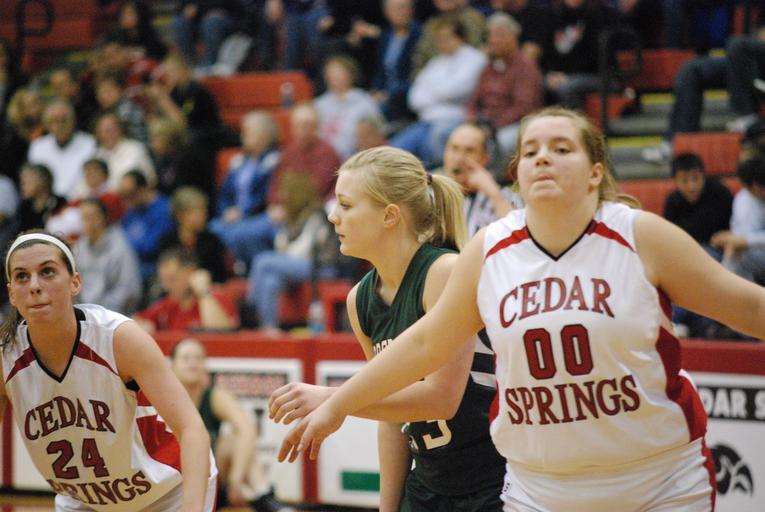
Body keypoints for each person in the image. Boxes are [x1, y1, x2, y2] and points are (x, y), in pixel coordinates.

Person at [278, 106, 765, 510]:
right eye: (530, 151)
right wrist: (337, 404)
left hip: (655, 478)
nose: (543, 158)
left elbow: (746, 307)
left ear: (596, 171)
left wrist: (336, 401)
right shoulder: (489, 250)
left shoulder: (640, 235)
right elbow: (425, 344)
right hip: (540, 487)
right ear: (516, 173)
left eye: (561, 148)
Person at [269, 147, 505, 511]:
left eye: (346, 205)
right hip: (427, 484)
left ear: (389, 215)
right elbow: (391, 418)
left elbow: (442, 398)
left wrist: (333, 399)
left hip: (491, 481)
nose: (333, 216)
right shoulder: (360, 300)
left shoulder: (443, 272)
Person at [0, 231, 216, 510]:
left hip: (167, 492)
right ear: (11, 294)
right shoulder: (7, 357)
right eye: (21, 276)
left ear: (75, 282)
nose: (34, 286)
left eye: (47, 272)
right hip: (85, 502)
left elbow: (192, 429)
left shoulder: (118, 338)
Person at [171, 338, 294, 512]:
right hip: (175, 477)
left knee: (234, 440)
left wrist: (236, 476)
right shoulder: (164, 397)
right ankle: (262, 499)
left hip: (212, 477)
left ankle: (263, 495)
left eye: (198, 358)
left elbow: (247, 428)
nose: (193, 363)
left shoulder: (214, 396)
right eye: (186, 358)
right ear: (172, 365)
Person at [665, 152, 733, 338]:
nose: (691, 186)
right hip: (685, 257)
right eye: (685, 180)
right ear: (675, 181)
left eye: (696, 179)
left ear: (704, 176)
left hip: (721, 256)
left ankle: (682, 321)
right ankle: (693, 325)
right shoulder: (672, 201)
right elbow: (669, 240)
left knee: (697, 263)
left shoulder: (721, 193)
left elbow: (734, 231)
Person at [439, 123, 522, 236]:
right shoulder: (430, 193)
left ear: (485, 159)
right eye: (454, 148)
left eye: (469, 151)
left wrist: (493, 193)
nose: (459, 158)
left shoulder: (504, 198)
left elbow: (518, 237)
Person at [134, 248, 239, 334]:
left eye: (172, 279)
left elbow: (222, 332)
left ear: (191, 272)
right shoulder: (167, 305)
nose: (166, 287)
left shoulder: (216, 298)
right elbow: (135, 320)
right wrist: (143, 327)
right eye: (163, 280)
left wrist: (204, 291)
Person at [74, 198, 142, 315]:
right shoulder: (80, 246)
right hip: (85, 312)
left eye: (91, 216)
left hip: (113, 314)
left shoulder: (120, 245)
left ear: (103, 218)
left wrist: (102, 312)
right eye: (84, 217)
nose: (87, 222)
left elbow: (129, 289)